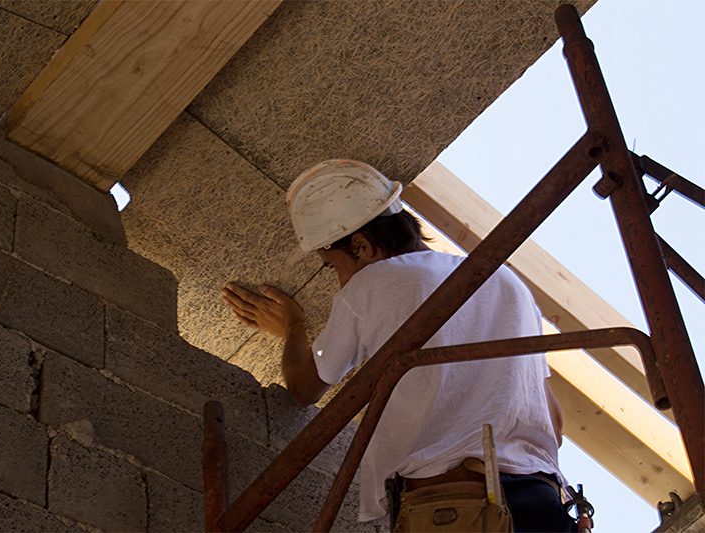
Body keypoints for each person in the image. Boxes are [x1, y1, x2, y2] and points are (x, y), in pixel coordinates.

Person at [222, 160, 576, 532]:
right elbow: (554, 419)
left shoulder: (372, 284)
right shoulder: (505, 282)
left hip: (453, 507)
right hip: (540, 498)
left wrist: (293, 327)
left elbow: (304, 387)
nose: (339, 280)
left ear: (362, 245)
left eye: (332, 266)